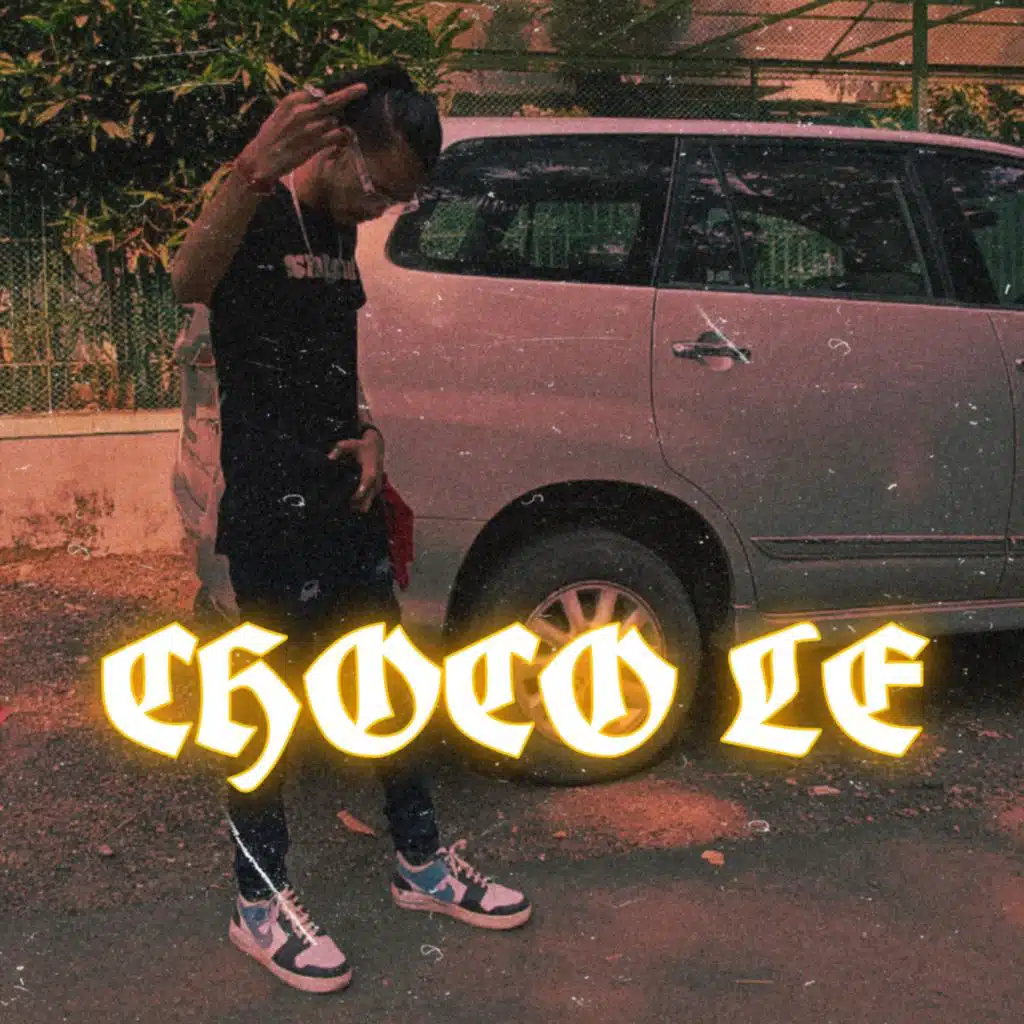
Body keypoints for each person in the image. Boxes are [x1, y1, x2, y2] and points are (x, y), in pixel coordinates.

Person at [170, 63, 531, 996]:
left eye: (395, 201)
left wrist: (370, 431)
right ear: (333, 146)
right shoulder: (256, 206)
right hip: (270, 511)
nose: (378, 210)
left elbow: (335, 354)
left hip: (343, 503)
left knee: (389, 688)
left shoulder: (335, 225)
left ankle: (422, 865)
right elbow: (186, 279)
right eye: (377, 187)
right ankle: (258, 906)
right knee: (265, 712)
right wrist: (251, 167)